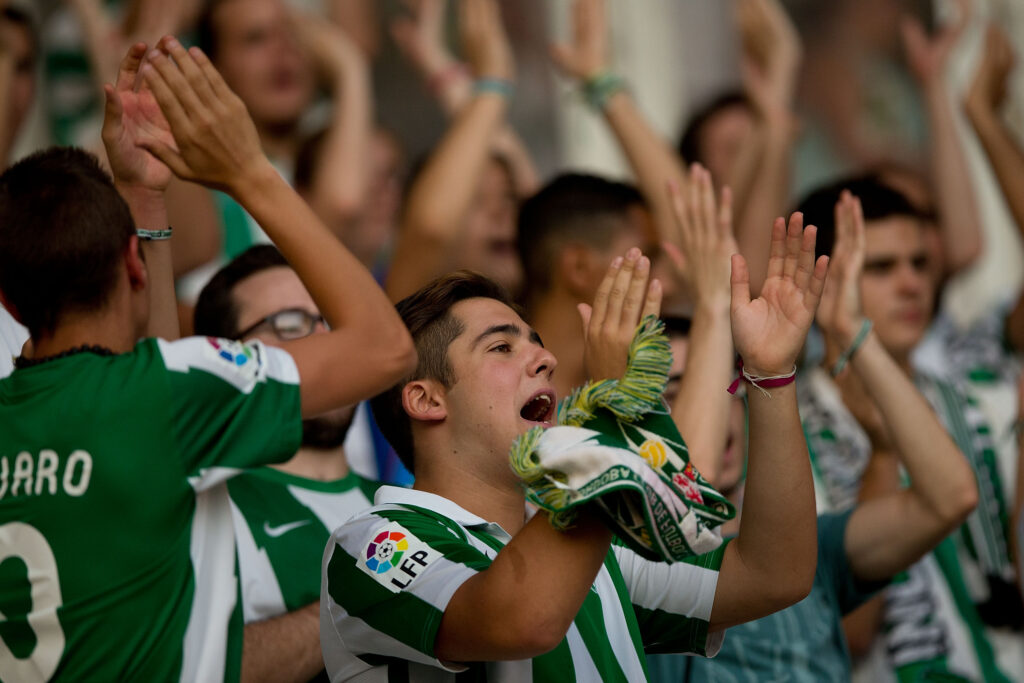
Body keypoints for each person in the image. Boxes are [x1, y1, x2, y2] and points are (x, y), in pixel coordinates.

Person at [0, 39, 414, 681]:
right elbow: (387, 348)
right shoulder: (162, 395)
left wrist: (145, 196)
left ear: (7, 301)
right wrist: (249, 171)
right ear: (133, 264)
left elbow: (156, 394)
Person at [320, 196, 831, 678]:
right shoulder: (370, 542)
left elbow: (774, 574)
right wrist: (612, 410)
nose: (546, 360)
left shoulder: (592, 543)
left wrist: (770, 374)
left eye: (536, 344)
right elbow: (521, 620)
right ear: (426, 399)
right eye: (500, 347)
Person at [648, 189, 978, 683]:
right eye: (681, 392)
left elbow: (951, 497)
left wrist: (852, 332)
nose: (716, 410)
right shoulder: (629, 567)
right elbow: (693, 484)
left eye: (723, 384)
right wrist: (716, 309)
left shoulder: (803, 550)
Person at [796, 176, 1019, 681]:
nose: (911, 284)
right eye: (880, 267)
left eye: (920, 264)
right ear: (819, 283)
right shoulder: (777, 426)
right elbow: (844, 632)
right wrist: (884, 455)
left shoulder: (986, 399)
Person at [193, 245, 384, 683]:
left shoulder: (410, 504)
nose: (324, 340)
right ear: (224, 359)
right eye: (290, 324)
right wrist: (363, 602)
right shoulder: (203, 503)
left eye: (331, 322)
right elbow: (183, 664)